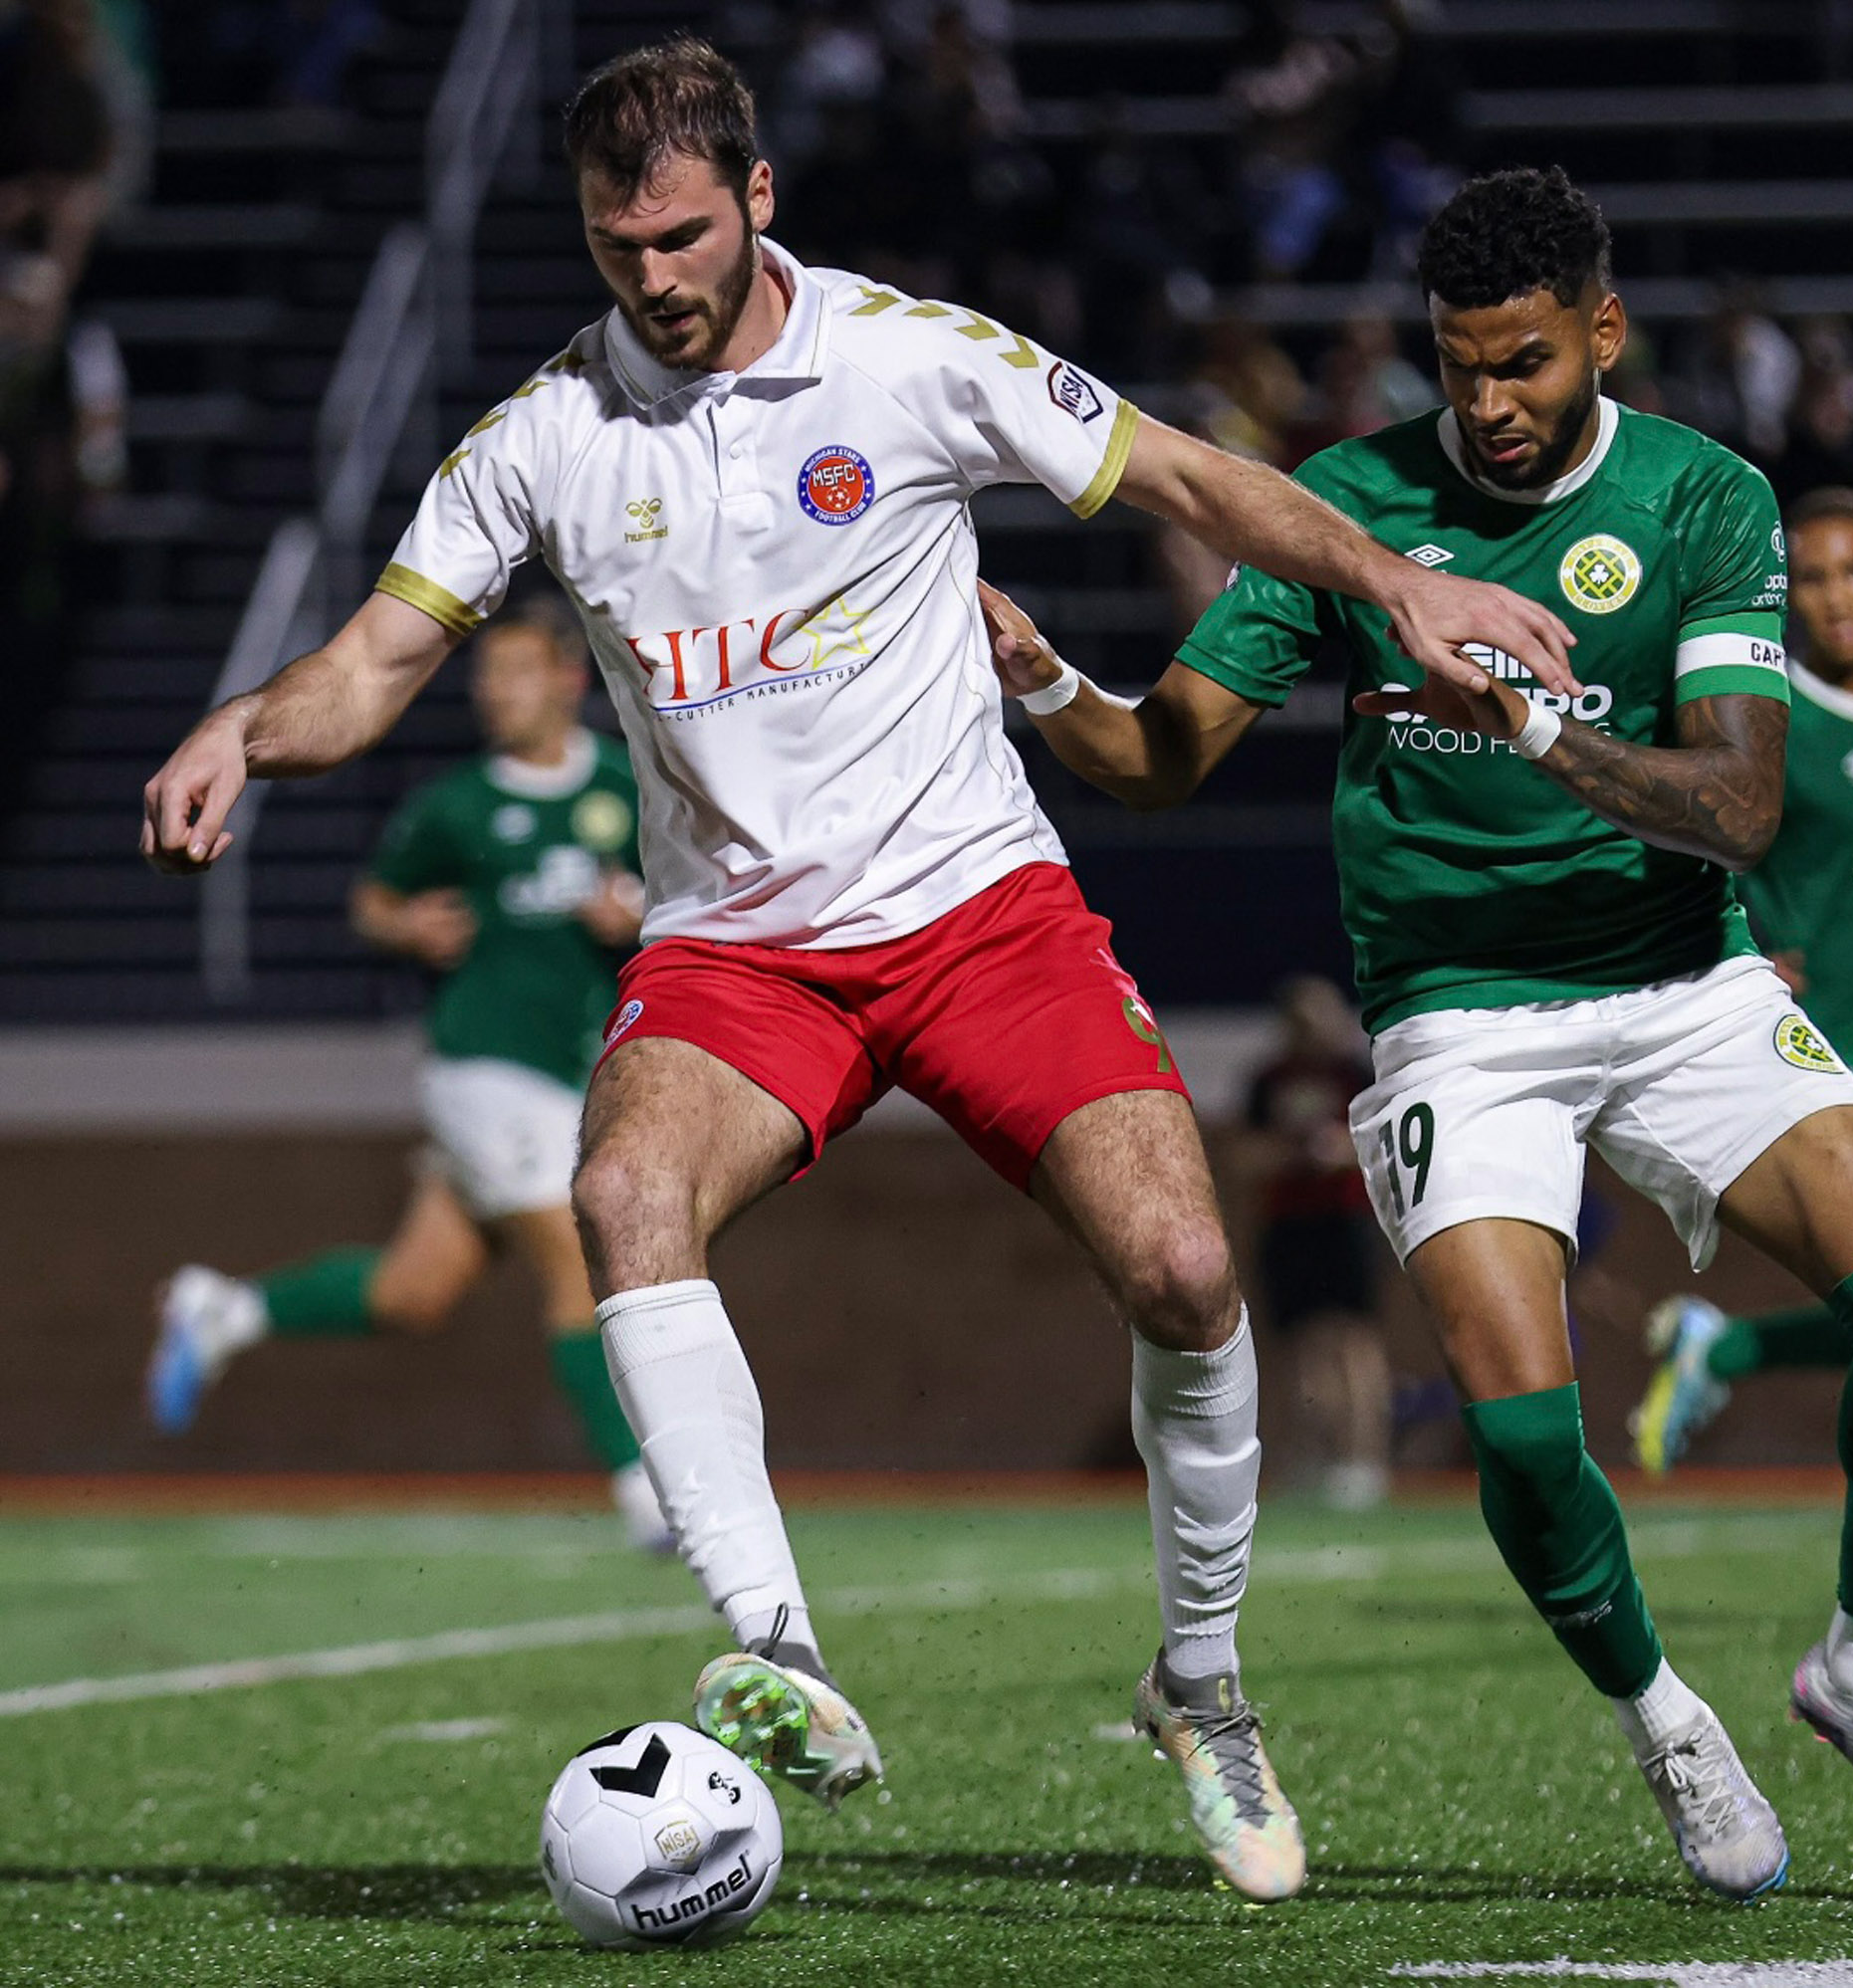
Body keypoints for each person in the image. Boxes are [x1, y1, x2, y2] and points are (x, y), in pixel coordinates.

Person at [136, 38, 1575, 1904]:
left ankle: (1203, 1686)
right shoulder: (542, 438)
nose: (651, 276)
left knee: (1184, 1265)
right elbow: (370, 664)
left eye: (678, 235)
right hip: (740, 957)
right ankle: (777, 1646)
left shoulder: (910, 360)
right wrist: (243, 729)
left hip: (980, 914)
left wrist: (1403, 584)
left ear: (757, 197)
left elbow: (1193, 481)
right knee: (622, 1194)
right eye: (614, 244)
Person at [976, 165, 1853, 1895]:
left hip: (1681, 983)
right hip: (1461, 1019)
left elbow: (1741, 810)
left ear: (1603, 333)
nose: (1492, 401)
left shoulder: (1703, 497)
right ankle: (1668, 1720)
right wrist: (1052, 682)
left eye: (1525, 362)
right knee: (1522, 1432)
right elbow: (1160, 760)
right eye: (1461, 366)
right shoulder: (1352, 506)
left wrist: (1530, 723)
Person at [144, 611, 672, 1548]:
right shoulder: (457, 805)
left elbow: (684, 892)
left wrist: (635, 912)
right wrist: (406, 925)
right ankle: (644, 1492)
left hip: (576, 1069)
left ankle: (226, 1308)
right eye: (487, 674)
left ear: (568, 679)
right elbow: (372, 899)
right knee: (581, 1258)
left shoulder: (622, 786)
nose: (495, 690)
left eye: (516, 671)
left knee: (414, 1292)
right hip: (483, 1064)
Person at [1633, 486, 1853, 1640]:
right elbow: (1684, 831)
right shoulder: (1773, 719)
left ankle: (1727, 1344)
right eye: (1813, 578)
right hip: (1837, 1053)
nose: (1833, 598)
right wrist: (1732, 944)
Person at [1238, 976, 1390, 1506]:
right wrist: (1292, 1155)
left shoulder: (1355, 1076)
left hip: (1345, 1222)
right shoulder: (1269, 1081)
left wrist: (1337, 1151)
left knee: (1352, 1342)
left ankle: (1363, 1460)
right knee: (1299, 1345)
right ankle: (1312, 1457)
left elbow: (1381, 1144)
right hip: (1289, 1227)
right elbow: (1244, 1155)